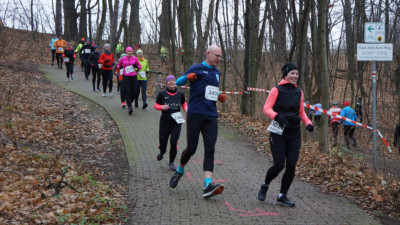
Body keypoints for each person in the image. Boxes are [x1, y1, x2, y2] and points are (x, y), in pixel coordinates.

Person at [169, 45, 227, 199]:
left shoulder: (217, 72)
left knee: (210, 149)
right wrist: (188, 78)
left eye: (221, 57)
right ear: (208, 54)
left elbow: (212, 90)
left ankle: (207, 185)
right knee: (191, 149)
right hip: (195, 114)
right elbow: (178, 82)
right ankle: (180, 171)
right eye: (217, 56)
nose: (219, 59)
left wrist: (220, 96)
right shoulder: (196, 68)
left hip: (211, 116)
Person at [257, 62, 314, 207]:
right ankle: (265, 184)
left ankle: (282, 195)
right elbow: (266, 108)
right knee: (279, 165)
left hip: (294, 133)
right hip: (278, 132)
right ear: (286, 74)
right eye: (292, 73)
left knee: (291, 165)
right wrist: (278, 117)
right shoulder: (276, 90)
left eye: (296, 73)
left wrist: (308, 123)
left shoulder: (299, 92)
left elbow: (301, 112)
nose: (295, 76)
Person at [154, 75, 188, 171]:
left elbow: (183, 103)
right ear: (166, 83)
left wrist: (186, 109)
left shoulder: (180, 94)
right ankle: (162, 151)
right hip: (165, 121)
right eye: (170, 81)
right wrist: (162, 107)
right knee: (163, 142)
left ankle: (171, 163)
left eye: (173, 80)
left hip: (176, 122)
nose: (172, 82)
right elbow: (155, 105)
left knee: (174, 142)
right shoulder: (162, 94)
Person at [117, 47, 142, 115]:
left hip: (133, 76)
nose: (130, 53)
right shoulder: (123, 58)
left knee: (134, 93)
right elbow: (118, 65)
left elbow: (140, 66)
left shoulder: (134, 58)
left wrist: (136, 66)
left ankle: (129, 103)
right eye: (129, 51)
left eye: (131, 51)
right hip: (126, 76)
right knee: (128, 92)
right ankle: (130, 107)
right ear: (126, 52)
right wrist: (120, 67)